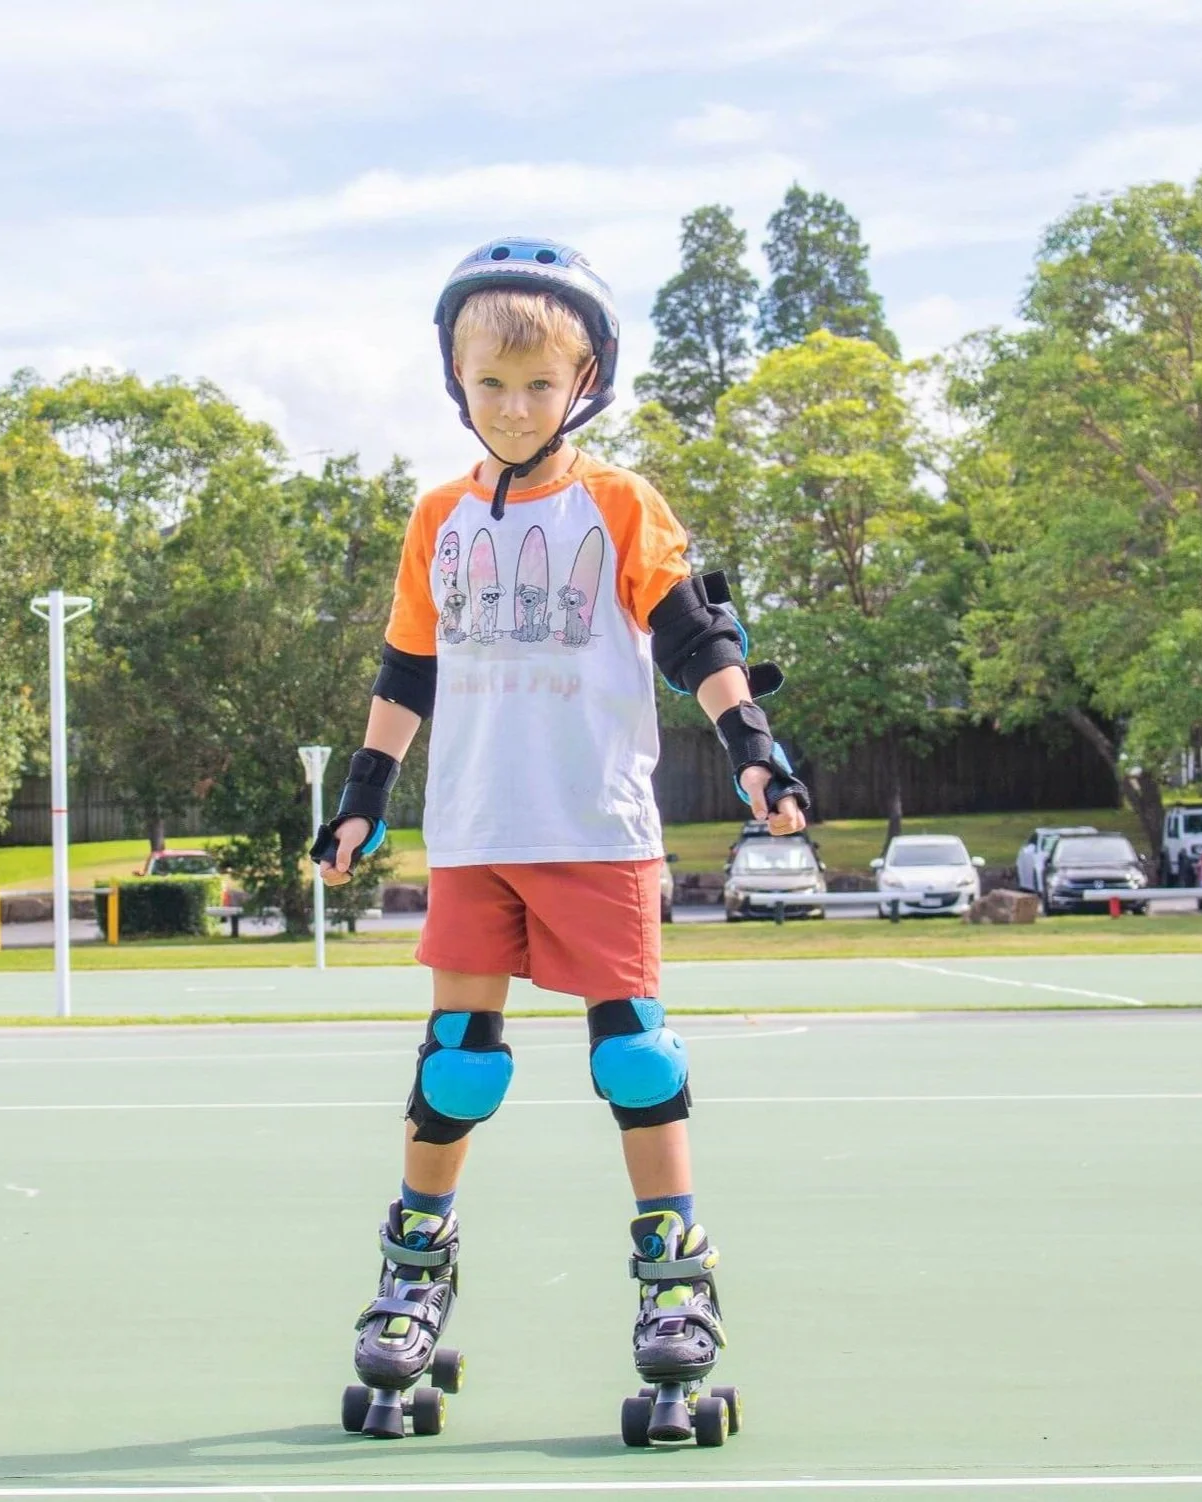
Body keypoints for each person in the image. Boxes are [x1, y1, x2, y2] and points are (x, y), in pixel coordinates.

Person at [313, 238, 807, 1444]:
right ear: (456, 382)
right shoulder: (436, 513)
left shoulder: (620, 502)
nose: (515, 405)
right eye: (490, 385)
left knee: (633, 1054)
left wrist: (750, 741)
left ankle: (677, 1284)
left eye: (539, 384)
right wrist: (364, 788)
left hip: (593, 827)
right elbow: (405, 664)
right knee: (455, 1061)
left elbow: (691, 634)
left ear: (582, 380)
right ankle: (412, 1280)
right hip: (475, 829)